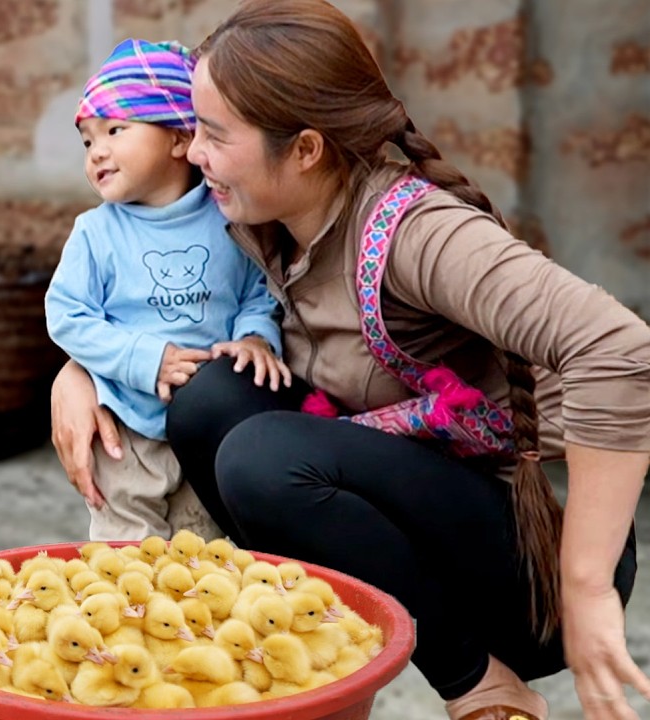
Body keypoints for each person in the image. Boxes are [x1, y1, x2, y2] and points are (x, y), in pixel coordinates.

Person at [50, 1, 649, 718]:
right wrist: (78, 371)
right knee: (212, 399)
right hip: (401, 523)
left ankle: (477, 681)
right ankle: (291, 657)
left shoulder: (416, 233)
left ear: (304, 149)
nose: (193, 153)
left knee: (262, 456)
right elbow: (161, 307)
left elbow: (619, 349)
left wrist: (584, 587)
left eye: (212, 133)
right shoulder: (252, 220)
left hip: (524, 575)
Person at [46, 38, 287, 542]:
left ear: (180, 140)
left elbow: (258, 294)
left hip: (204, 435)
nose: (98, 151)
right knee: (127, 561)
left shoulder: (228, 220)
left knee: (203, 557)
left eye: (115, 129)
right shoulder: (96, 233)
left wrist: (255, 338)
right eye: (88, 141)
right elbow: (67, 314)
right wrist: (145, 357)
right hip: (124, 430)